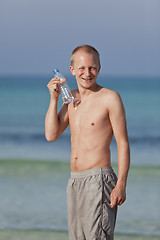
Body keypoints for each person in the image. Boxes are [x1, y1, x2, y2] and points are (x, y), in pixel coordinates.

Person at [45, 45, 130, 240]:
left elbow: (123, 143)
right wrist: (54, 98)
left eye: (92, 68)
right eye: (82, 68)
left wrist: (121, 184)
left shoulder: (110, 98)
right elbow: (51, 135)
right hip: (75, 181)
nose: (87, 73)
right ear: (72, 70)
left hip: (99, 180)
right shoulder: (71, 99)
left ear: (99, 69)